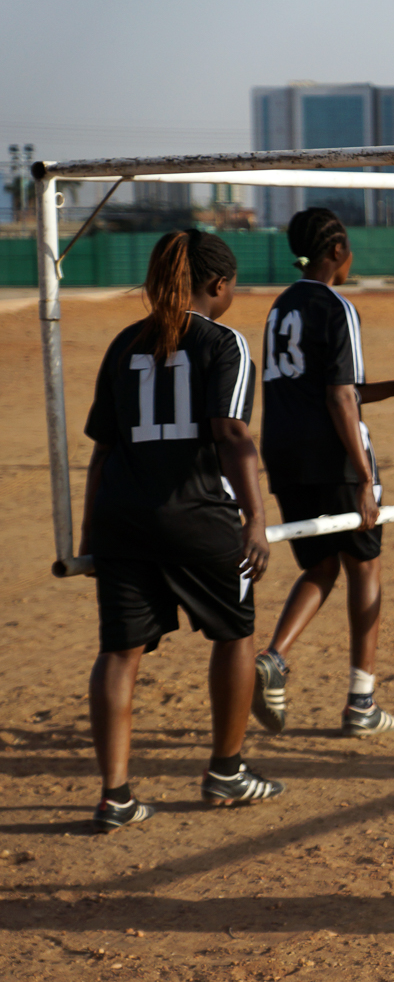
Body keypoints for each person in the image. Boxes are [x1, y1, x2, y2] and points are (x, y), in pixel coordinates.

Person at [82, 230, 284, 833]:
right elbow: (231, 434)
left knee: (119, 653)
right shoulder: (225, 343)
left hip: (121, 517)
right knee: (235, 634)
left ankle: (115, 795)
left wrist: (92, 534)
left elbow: (102, 450)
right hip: (197, 515)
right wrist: (255, 516)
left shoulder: (124, 344)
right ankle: (226, 770)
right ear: (219, 285)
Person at [252, 208, 394, 738]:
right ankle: (361, 702)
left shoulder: (280, 306)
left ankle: (275, 659)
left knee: (321, 566)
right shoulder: (337, 306)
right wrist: (361, 477)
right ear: (336, 253)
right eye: (350, 249)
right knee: (365, 567)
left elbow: (329, 390)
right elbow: (337, 397)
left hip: (286, 457)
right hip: (335, 458)